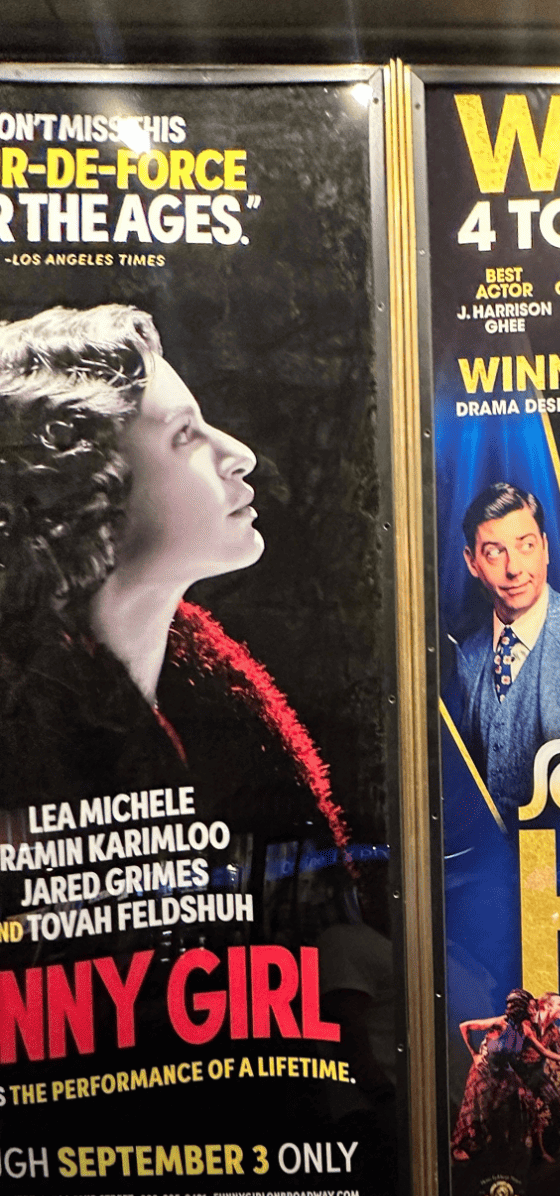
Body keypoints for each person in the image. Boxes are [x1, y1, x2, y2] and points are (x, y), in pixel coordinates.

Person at [0, 303, 346, 839]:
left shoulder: (231, 727)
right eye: (185, 434)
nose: (239, 455)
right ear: (89, 486)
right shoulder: (22, 755)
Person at [448, 481, 560, 818]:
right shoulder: (465, 654)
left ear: (545, 548)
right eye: (494, 552)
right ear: (472, 562)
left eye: (526, 545)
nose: (514, 568)